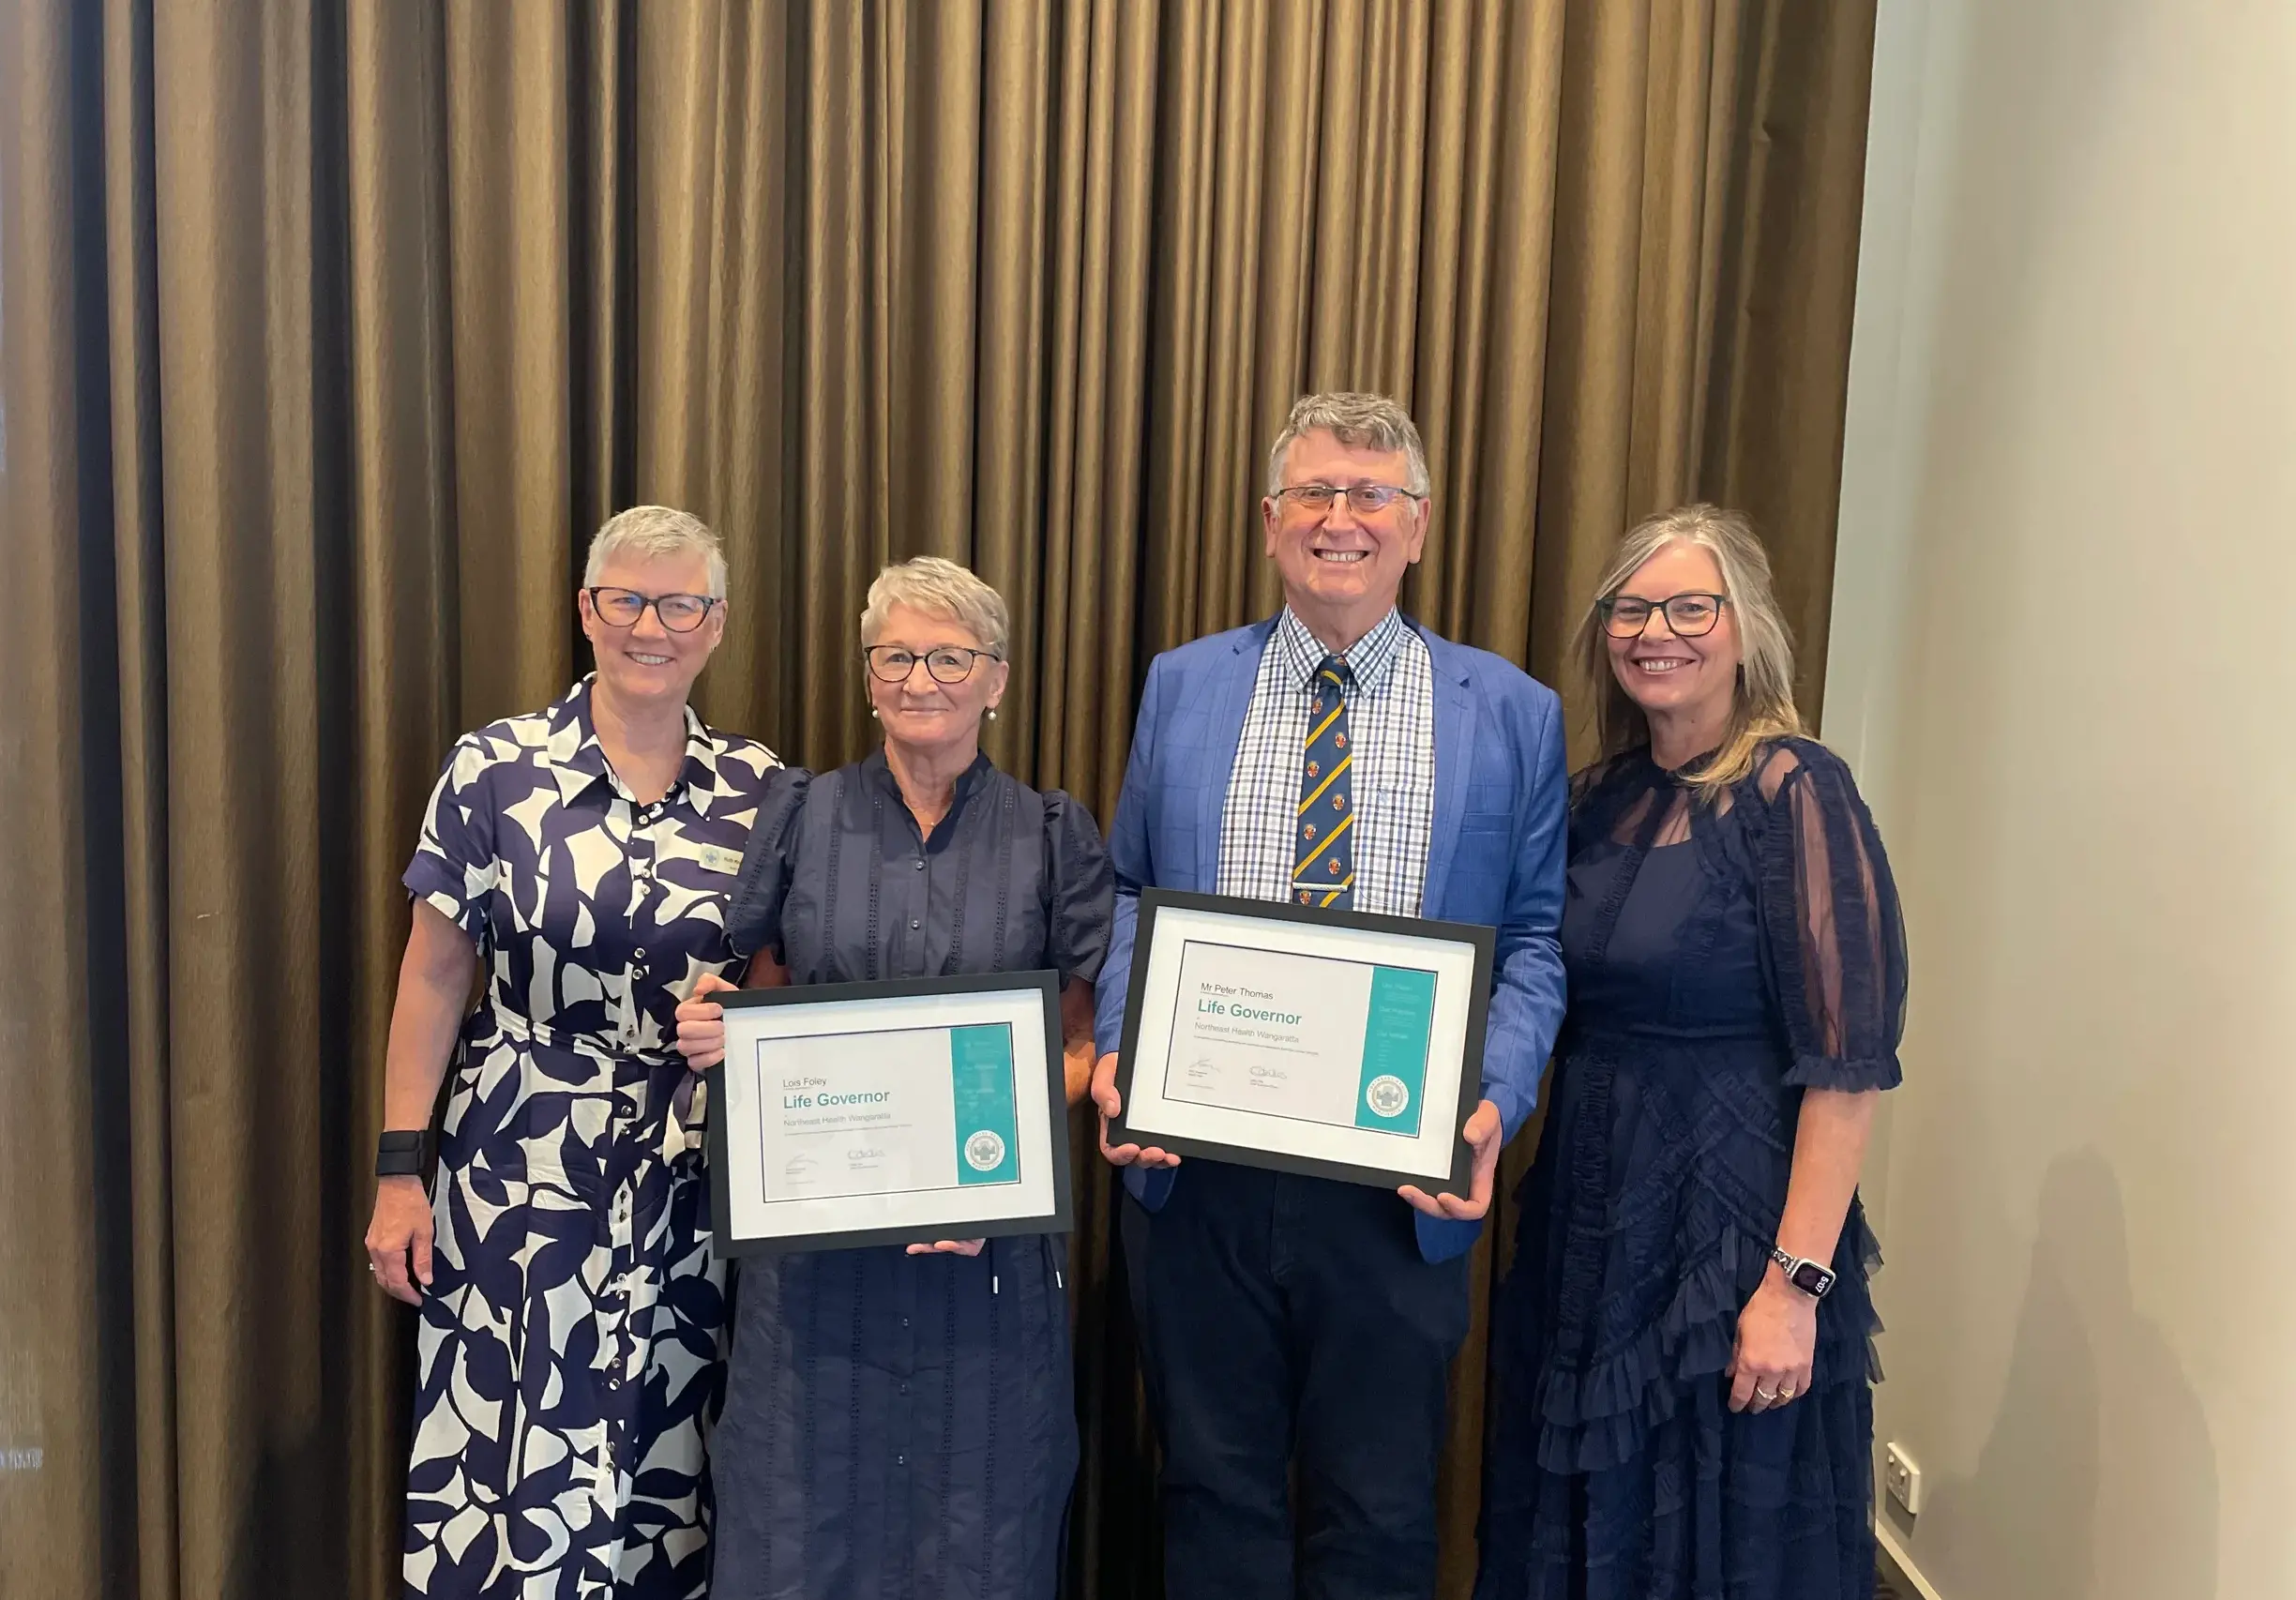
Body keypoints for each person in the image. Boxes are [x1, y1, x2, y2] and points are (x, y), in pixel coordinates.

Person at [1089, 392, 1570, 1600]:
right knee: (1213, 1492)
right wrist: (1120, 1053)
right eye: (1313, 491)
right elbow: (1134, 893)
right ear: (1268, 521)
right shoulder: (1183, 684)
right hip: (1198, 1171)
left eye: (1370, 495)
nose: (1338, 518)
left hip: (1397, 1177)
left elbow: (1535, 939)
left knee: (1379, 1507)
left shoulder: (1510, 711)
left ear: (1416, 526)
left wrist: (1495, 1100)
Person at [1475, 505, 1906, 1600]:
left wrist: (1793, 1286)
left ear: (1744, 629)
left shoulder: (1797, 792)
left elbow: (1847, 1067)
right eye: (1631, 607)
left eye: (1687, 606)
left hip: (1731, 1238)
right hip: (1587, 1225)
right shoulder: (1595, 798)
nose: (1654, 630)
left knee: (1714, 1532)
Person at [672, 555, 1110, 1600]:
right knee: (796, 1549)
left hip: (987, 1275)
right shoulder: (801, 815)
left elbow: (1084, 1047)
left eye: (950, 655)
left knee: (981, 1553)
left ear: (996, 679)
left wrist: (976, 1179)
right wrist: (717, 1031)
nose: (922, 678)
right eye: (897, 655)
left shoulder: (1053, 834)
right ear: (867, 677)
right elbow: (751, 999)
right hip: (818, 1281)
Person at [363, 506, 778, 1598]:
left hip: (690, 1181)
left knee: (663, 1458)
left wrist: (743, 1013)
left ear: (717, 623)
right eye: (627, 599)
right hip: (514, 1166)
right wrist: (399, 1172)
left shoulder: (761, 788)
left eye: (680, 601)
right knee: (506, 1455)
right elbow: (433, 975)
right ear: (586, 610)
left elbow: (785, 979)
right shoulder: (493, 768)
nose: (654, 625)